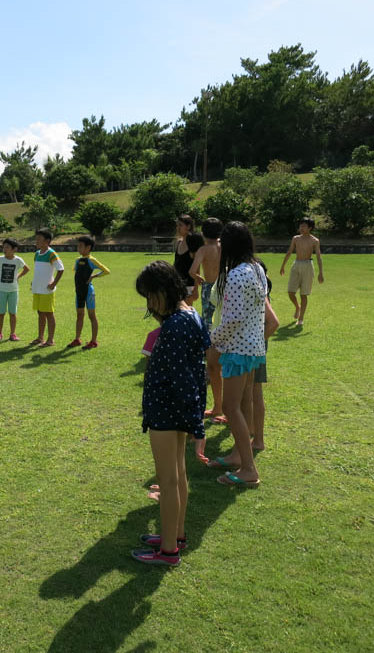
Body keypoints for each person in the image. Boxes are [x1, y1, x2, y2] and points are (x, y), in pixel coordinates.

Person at [131, 260, 210, 566]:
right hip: (175, 410)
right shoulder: (190, 315)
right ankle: (174, 536)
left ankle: (167, 551)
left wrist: (196, 424)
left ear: (165, 290)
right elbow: (196, 369)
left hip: (168, 411)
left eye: (151, 296)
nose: (150, 304)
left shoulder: (176, 324)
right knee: (176, 477)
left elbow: (184, 377)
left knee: (167, 481)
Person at [208, 221, 267, 488]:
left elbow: (232, 320)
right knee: (243, 404)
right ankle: (237, 456)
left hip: (238, 350)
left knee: (231, 407)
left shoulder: (234, 274)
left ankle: (249, 470)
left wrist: (209, 339)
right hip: (254, 348)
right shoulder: (256, 268)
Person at [189, 217, 224, 423]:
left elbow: (192, 270)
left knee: (209, 329)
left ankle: (210, 355)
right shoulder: (224, 248)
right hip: (224, 288)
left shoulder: (203, 250)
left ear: (204, 233)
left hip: (209, 289)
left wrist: (199, 279)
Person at [251, 259, 279, 454]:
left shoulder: (261, 292)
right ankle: (252, 431)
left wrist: (258, 346)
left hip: (254, 346)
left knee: (254, 391)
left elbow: (273, 323)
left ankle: (258, 438)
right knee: (251, 391)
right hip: (254, 345)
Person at [279, 217, 324, 326]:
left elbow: (318, 256)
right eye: (300, 226)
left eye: (304, 226)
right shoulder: (295, 238)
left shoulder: (315, 241)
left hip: (308, 266)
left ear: (310, 228)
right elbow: (290, 251)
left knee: (303, 294)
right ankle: (297, 307)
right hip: (296, 265)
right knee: (291, 292)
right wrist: (283, 266)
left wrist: (320, 272)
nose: (301, 228)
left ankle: (301, 318)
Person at [68, 235, 110, 349]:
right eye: (78, 246)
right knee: (79, 315)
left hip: (88, 292)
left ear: (88, 247)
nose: (78, 248)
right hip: (79, 292)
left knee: (92, 316)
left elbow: (106, 271)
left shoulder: (91, 260)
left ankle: (93, 341)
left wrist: (94, 276)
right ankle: (77, 339)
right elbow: (77, 274)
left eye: (81, 246)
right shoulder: (78, 260)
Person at [0, 238, 29, 341]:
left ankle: (13, 334)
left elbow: (27, 269)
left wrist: (18, 276)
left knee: (13, 313)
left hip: (13, 290)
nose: (4, 249)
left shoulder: (18, 260)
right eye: (4, 247)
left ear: (14, 249)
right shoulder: (0, 259)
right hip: (1, 290)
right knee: (1, 312)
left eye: (7, 247)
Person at [30, 228, 64, 347]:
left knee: (49, 313)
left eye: (39, 239)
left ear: (47, 241)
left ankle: (50, 340)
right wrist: (33, 283)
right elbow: (38, 271)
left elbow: (61, 269)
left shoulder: (52, 254)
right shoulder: (37, 253)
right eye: (36, 239)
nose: (37, 241)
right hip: (37, 289)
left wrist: (54, 284)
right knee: (40, 313)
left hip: (47, 290)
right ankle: (40, 338)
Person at [172, 214, 197, 300]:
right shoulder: (178, 242)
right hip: (176, 284)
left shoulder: (193, 244)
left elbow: (197, 269)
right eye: (177, 225)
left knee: (186, 312)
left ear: (188, 226)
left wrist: (196, 289)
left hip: (189, 285)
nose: (177, 228)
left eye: (180, 225)